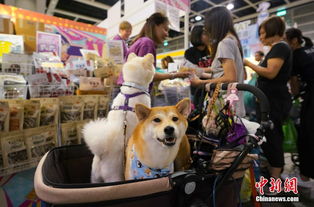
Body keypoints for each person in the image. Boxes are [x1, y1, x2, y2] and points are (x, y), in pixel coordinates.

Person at [244, 16, 292, 180]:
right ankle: (273, 169)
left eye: (263, 33)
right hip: (269, 101)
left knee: (273, 139)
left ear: (273, 31)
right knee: (269, 138)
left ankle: (275, 178)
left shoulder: (280, 48)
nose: (261, 37)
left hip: (275, 102)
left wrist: (248, 63)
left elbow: (271, 73)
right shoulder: (275, 48)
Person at [190, 6, 246, 117]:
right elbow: (222, 71)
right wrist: (201, 72)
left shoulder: (224, 43)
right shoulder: (232, 40)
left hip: (226, 106)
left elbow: (230, 78)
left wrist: (200, 83)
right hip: (232, 104)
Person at [117, 12, 190, 87]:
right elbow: (146, 75)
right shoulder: (147, 43)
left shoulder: (142, 41)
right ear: (155, 26)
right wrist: (175, 75)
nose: (167, 34)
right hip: (131, 92)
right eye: (165, 29)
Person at [285, 28, 314, 183]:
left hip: (311, 97)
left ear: (294, 41)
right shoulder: (310, 48)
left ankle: (305, 176)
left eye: (285, 40)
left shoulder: (295, 55)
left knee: (306, 136)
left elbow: (294, 83)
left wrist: (292, 96)